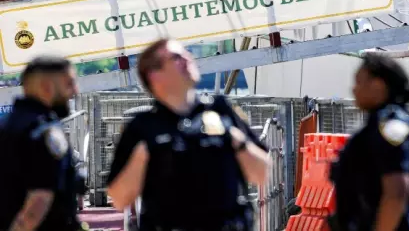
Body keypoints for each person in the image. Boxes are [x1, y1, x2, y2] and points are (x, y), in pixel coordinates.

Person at [106, 39, 270, 231]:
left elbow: (262, 173)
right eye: (176, 57)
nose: (187, 59)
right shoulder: (142, 127)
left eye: (187, 54)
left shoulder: (220, 109)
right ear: (154, 75)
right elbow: (119, 199)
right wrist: (142, 157)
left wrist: (235, 140)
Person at [329, 55, 409, 231]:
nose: (353, 90)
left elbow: (397, 192)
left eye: (359, 82)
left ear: (378, 85)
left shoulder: (391, 128)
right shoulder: (377, 127)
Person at [0, 56, 82, 231]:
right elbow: (38, 202)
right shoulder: (43, 131)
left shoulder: (8, 125)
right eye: (69, 84)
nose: (75, 91)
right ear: (46, 87)